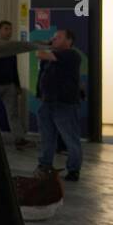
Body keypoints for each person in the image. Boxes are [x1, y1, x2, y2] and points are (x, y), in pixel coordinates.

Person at [36, 28, 83, 182]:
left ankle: (74, 169)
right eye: (54, 37)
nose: (54, 39)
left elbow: (40, 54)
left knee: (71, 139)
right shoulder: (53, 56)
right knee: (47, 138)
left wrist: (45, 45)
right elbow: (43, 74)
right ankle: (45, 165)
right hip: (47, 102)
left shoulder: (71, 55)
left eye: (59, 37)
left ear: (69, 41)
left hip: (65, 104)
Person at [0, 19, 29, 150]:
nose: (8, 32)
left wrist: (17, 85)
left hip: (9, 86)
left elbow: (14, 67)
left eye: (10, 29)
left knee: (13, 113)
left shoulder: (10, 47)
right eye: (6, 29)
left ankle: (19, 139)